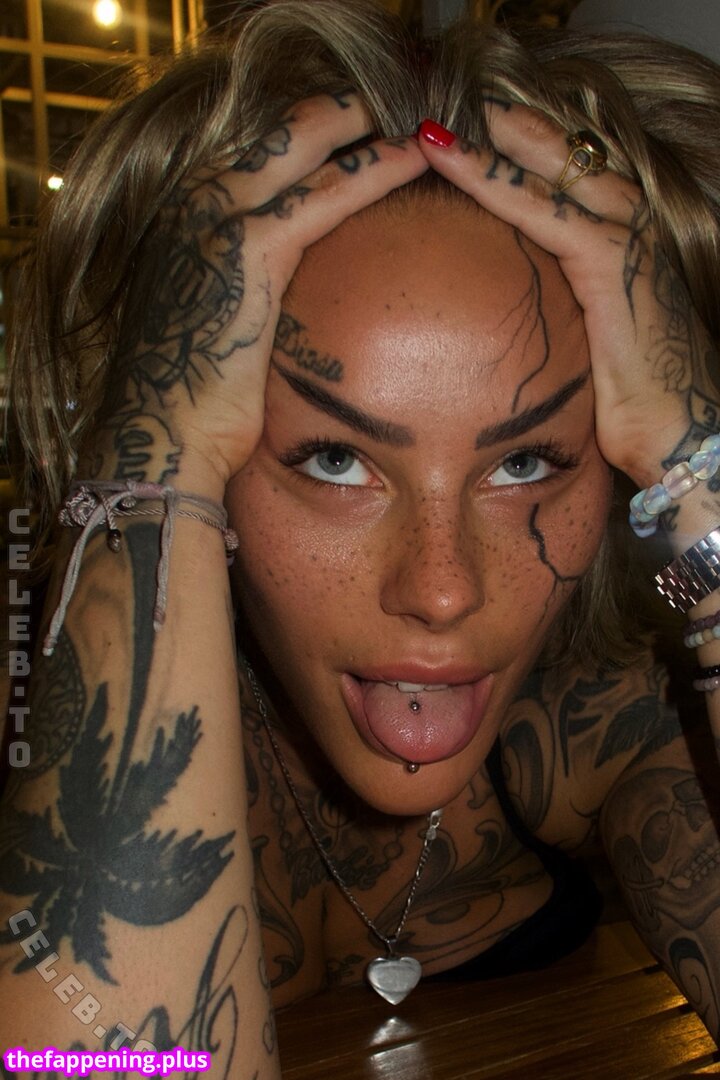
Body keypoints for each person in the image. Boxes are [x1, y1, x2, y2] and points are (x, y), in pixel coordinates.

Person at [2, 1, 720, 1076]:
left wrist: (699, 464)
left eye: (527, 463)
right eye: (335, 460)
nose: (441, 590)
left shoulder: (608, 726)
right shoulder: (25, 724)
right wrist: (155, 459)